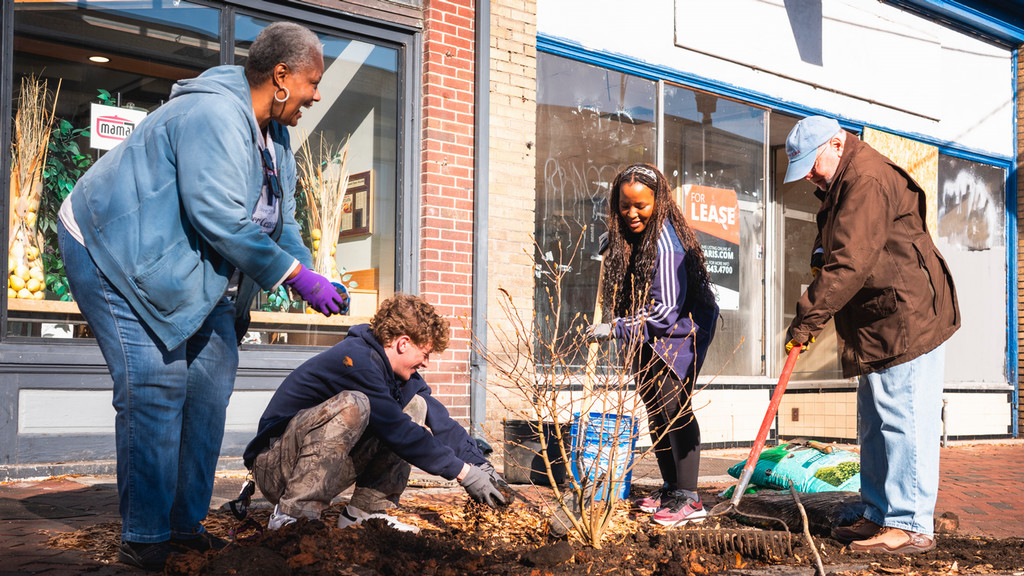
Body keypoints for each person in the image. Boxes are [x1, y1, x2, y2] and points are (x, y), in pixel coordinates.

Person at [58, 22, 347, 571]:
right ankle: (145, 537)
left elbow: (276, 222)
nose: (315, 95)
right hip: (112, 248)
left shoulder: (275, 135)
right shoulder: (213, 115)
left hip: (187, 267)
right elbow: (218, 216)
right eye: (313, 82)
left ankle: (183, 526)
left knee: (210, 387)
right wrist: (291, 277)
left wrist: (309, 271)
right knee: (156, 384)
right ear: (281, 77)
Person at [782, 116, 960, 553]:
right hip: (878, 321)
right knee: (875, 422)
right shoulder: (843, 180)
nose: (808, 175)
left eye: (811, 163)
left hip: (906, 318)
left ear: (837, 145)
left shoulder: (866, 179)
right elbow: (838, 250)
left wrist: (807, 321)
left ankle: (911, 523)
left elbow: (850, 262)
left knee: (904, 420)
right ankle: (879, 514)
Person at [243, 293, 512, 532]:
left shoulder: (400, 377)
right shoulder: (354, 359)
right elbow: (398, 430)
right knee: (355, 404)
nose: (427, 363)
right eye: (426, 353)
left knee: (416, 405)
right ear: (403, 343)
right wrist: (463, 473)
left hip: (319, 467)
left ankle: (365, 514)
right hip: (276, 468)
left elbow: (441, 421)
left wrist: (482, 467)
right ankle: (292, 517)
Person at [585, 163, 719, 526]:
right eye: (624, 205)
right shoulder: (632, 234)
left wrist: (614, 328)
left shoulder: (667, 246)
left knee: (674, 406)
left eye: (640, 206)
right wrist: (615, 249)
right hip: (648, 327)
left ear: (658, 203)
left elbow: (663, 313)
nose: (631, 213)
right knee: (655, 407)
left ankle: (690, 499)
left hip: (681, 327)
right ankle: (672, 486)